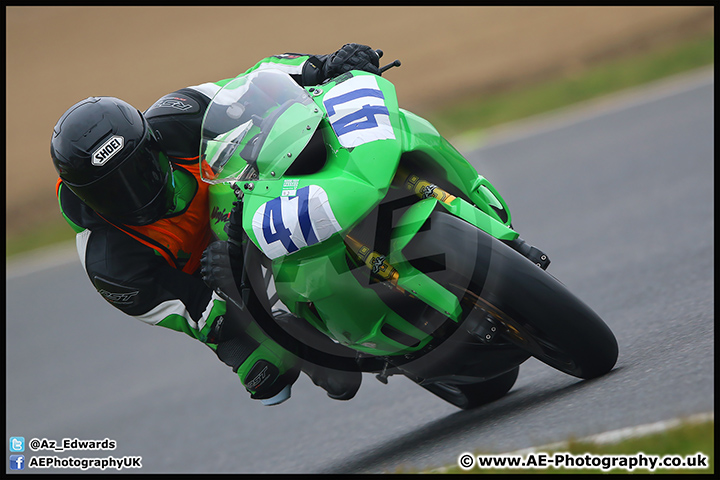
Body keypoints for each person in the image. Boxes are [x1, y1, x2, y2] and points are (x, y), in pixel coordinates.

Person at [51, 44, 380, 406]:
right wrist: (240, 302)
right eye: (112, 193)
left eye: (138, 171)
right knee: (299, 376)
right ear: (85, 198)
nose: (133, 194)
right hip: (217, 284)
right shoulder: (109, 263)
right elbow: (200, 314)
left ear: (152, 144)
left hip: (247, 202)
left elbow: (255, 82)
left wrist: (323, 66)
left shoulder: (176, 117)